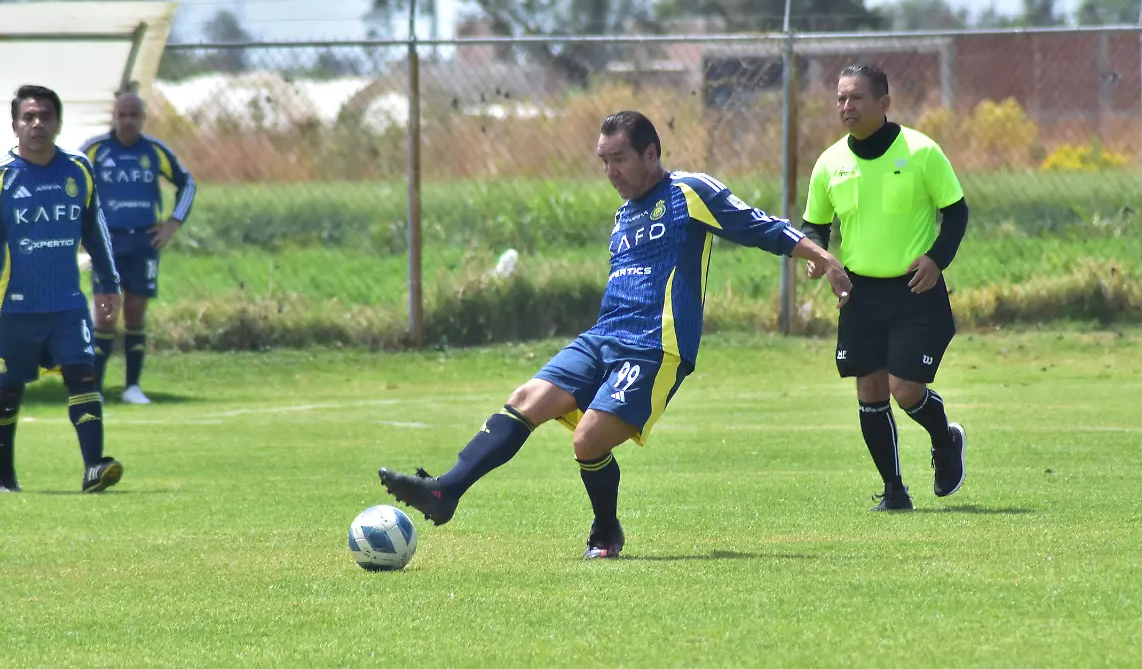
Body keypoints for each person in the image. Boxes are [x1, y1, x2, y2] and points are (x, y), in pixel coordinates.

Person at [379, 110, 853, 559]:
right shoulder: (623, 215)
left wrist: (821, 255)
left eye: (620, 158)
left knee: (587, 442)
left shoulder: (688, 191)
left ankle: (606, 529)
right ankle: (445, 491)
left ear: (651, 153)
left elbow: (756, 225)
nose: (611, 171)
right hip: (602, 337)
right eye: (604, 161)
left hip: (655, 347)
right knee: (524, 399)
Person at [800, 64, 969, 511]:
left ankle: (945, 439)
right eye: (840, 98)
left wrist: (936, 259)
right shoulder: (830, 163)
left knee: (905, 388)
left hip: (915, 291)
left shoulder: (921, 152)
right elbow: (814, 226)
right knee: (870, 390)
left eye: (856, 98)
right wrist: (819, 257)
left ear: (883, 103)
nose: (846, 106)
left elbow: (956, 213)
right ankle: (894, 491)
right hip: (859, 295)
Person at [0, 84, 124, 493]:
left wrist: (109, 281)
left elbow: (94, 228)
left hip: (66, 304)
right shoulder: (4, 176)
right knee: (7, 389)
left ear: (58, 123)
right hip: (12, 307)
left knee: (83, 375)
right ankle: (4, 478)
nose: (37, 123)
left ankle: (93, 469)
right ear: (15, 125)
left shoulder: (77, 169)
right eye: (29, 117)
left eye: (45, 116)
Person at [80, 92, 197, 405]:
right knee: (106, 311)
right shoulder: (95, 149)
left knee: (135, 309)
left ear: (143, 118)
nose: (128, 121)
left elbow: (187, 183)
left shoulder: (154, 151)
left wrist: (173, 223)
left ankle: (132, 387)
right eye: (122, 115)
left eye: (134, 115)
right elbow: (69, 183)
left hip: (144, 241)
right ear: (114, 117)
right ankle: (94, 387)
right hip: (107, 241)